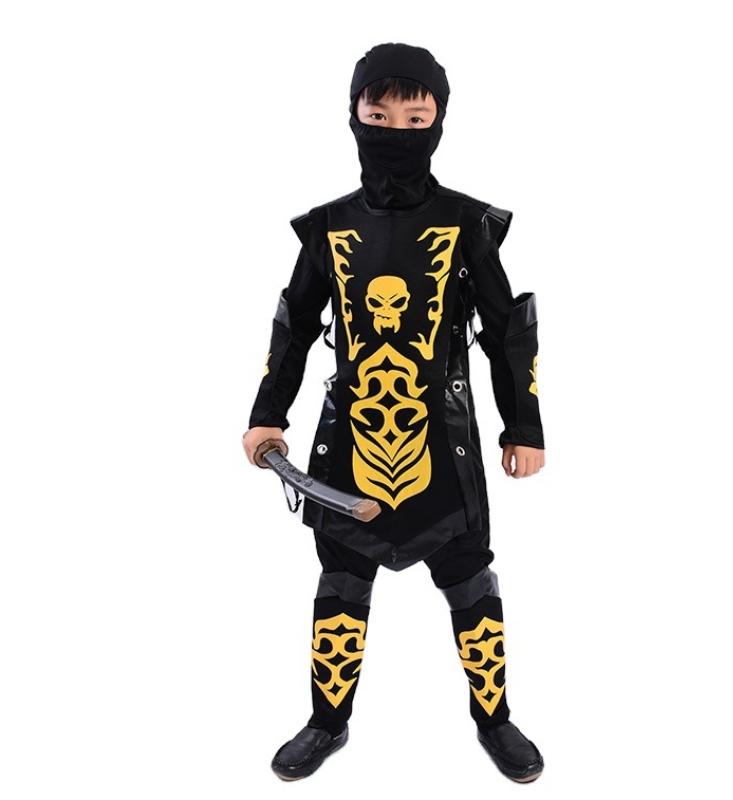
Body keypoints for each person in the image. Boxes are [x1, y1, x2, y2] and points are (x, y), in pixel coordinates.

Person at [242, 42, 546, 783]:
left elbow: (507, 331)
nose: (397, 131)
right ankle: (326, 723)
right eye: (380, 115)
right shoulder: (329, 228)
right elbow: (294, 328)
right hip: (348, 439)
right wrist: (267, 414)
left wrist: (524, 426)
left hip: (444, 440)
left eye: (415, 117)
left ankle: (495, 720)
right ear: (354, 116)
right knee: (341, 581)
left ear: (438, 120)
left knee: (470, 579)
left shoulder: (466, 223)